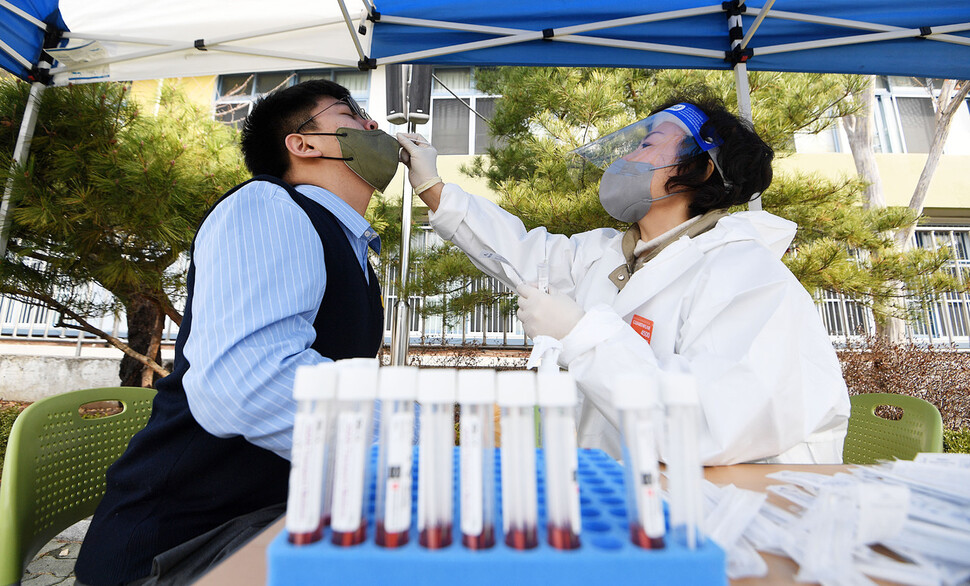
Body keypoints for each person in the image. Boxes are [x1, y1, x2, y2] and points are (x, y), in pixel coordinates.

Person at [397, 94, 850, 466]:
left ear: (700, 168)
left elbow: (707, 425)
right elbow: (519, 252)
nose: (627, 157)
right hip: (627, 500)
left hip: (736, 527)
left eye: (648, 144)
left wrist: (583, 335)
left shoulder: (747, 275)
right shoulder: (611, 254)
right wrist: (432, 187)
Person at [75, 80, 396, 585]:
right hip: (182, 551)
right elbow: (249, 382)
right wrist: (406, 436)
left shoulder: (349, 247)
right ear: (303, 143)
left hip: (271, 522)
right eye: (352, 112)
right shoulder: (268, 208)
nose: (373, 125)